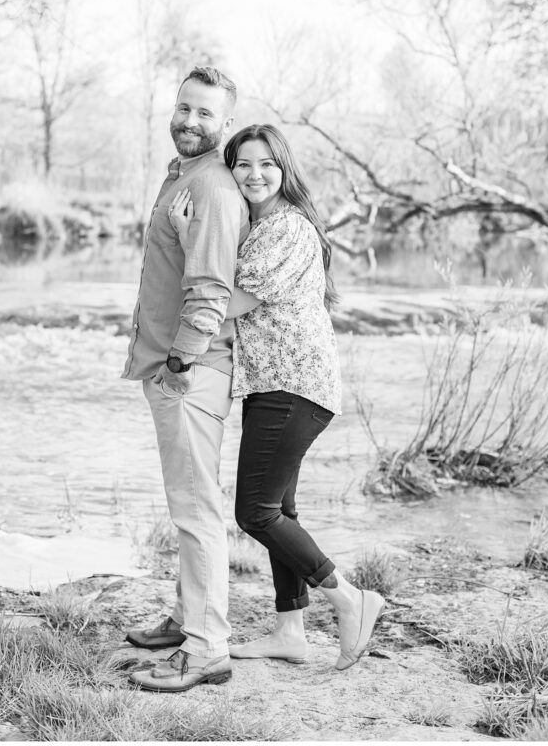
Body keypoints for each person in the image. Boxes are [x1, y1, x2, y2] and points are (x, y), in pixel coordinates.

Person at [169, 124, 385, 671]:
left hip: (294, 387)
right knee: (281, 508)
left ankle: (349, 598)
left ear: (285, 169)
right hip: (276, 385)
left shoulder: (286, 229)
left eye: (267, 164)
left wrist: (187, 236)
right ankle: (291, 630)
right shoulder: (262, 225)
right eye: (243, 165)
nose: (255, 175)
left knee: (256, 512)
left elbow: (229, 301)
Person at [122, 67, 250, 693]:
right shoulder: (183, 177)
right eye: (183, 108)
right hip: (175, 368)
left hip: (192, 372)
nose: (189, 121)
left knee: (197, 509)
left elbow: (210, 292)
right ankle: (185, 619)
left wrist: (178, 367)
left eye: (205, 113)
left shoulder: (215, 189)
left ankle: (207, 650)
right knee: (187, 503)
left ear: (225, 122)